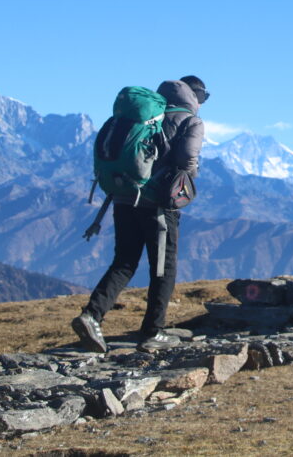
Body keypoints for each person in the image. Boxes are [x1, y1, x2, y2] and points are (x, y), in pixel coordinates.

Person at [72, 76, 208, 352]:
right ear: (194, 97)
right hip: (157, 204)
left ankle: (92, 315)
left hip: (123, 197)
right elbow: (186, 159)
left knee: (124, 261)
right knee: (163, 268)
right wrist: (189, 179)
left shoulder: (145, 117)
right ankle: (153, 330)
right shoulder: (190, 121)